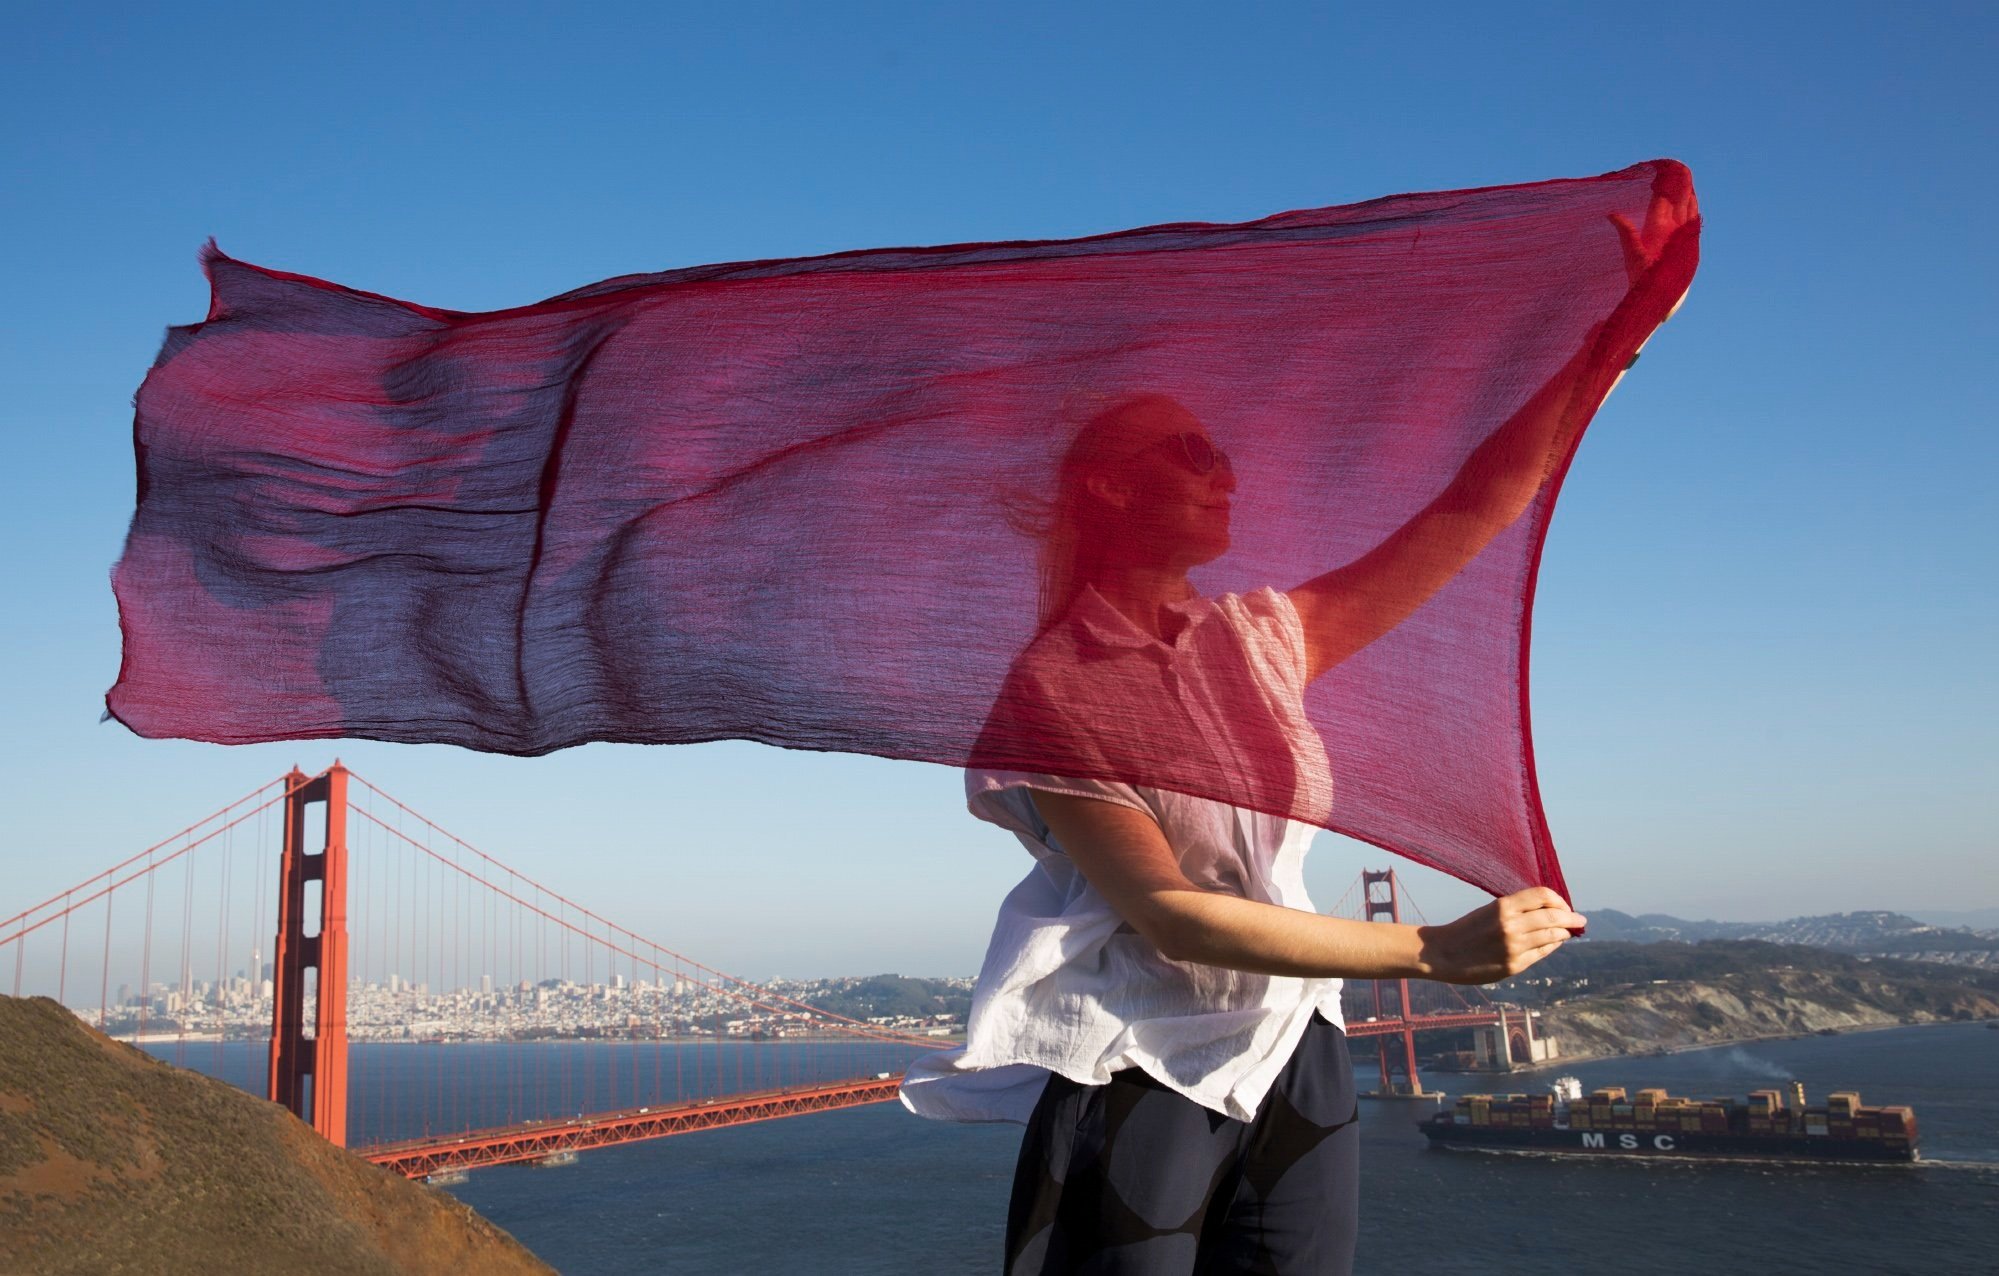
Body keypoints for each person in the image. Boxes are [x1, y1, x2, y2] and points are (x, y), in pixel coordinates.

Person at [900, 186, 1692, 1274]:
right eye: (1188, 453)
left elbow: (1474, 506)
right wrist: (1433, 950)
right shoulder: (1057, 685)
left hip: (1297, 1047)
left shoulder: (1262, 638)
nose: (1222, 472)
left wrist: (1609, 348)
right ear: (1106, 487)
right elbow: (1175, 915)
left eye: (1222, 453)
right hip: (1146, 1066)